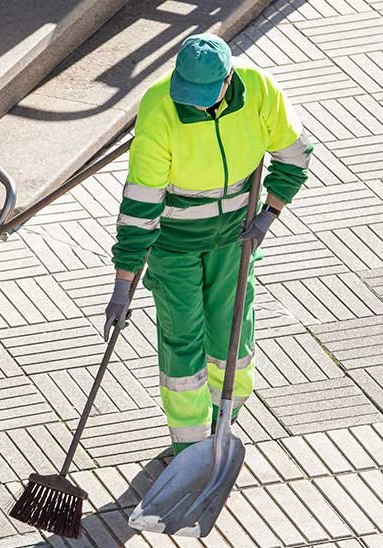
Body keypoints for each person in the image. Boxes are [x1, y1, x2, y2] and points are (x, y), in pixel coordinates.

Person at [103, 33, 312, 455]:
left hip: (234, 238)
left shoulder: (258, 90)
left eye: (203, 94)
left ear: (227, 79)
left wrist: (269, 215)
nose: (192, 102)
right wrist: (123, 282)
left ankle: (224, 421)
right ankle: (188, 447)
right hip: (173, 246)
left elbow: (295, 154)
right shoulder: (160, 107)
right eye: (187, 92)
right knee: (183, 337)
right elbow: (141, 203)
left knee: (230, 332)